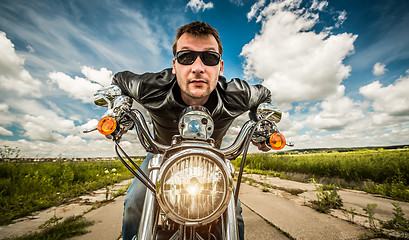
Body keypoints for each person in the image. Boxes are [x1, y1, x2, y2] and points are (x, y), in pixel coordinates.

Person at [112, 21, 272, 240]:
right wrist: (119, 111)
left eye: (209, 58)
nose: (198, 67)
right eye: (186, 57)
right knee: (133, 204)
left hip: (213, 158)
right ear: (175, 65)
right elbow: (119, 81)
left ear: (220, 67)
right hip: (160, 154)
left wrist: (263, 124)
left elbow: (264, 95)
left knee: (234, 213)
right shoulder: (150, 87)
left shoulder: (238, 94)